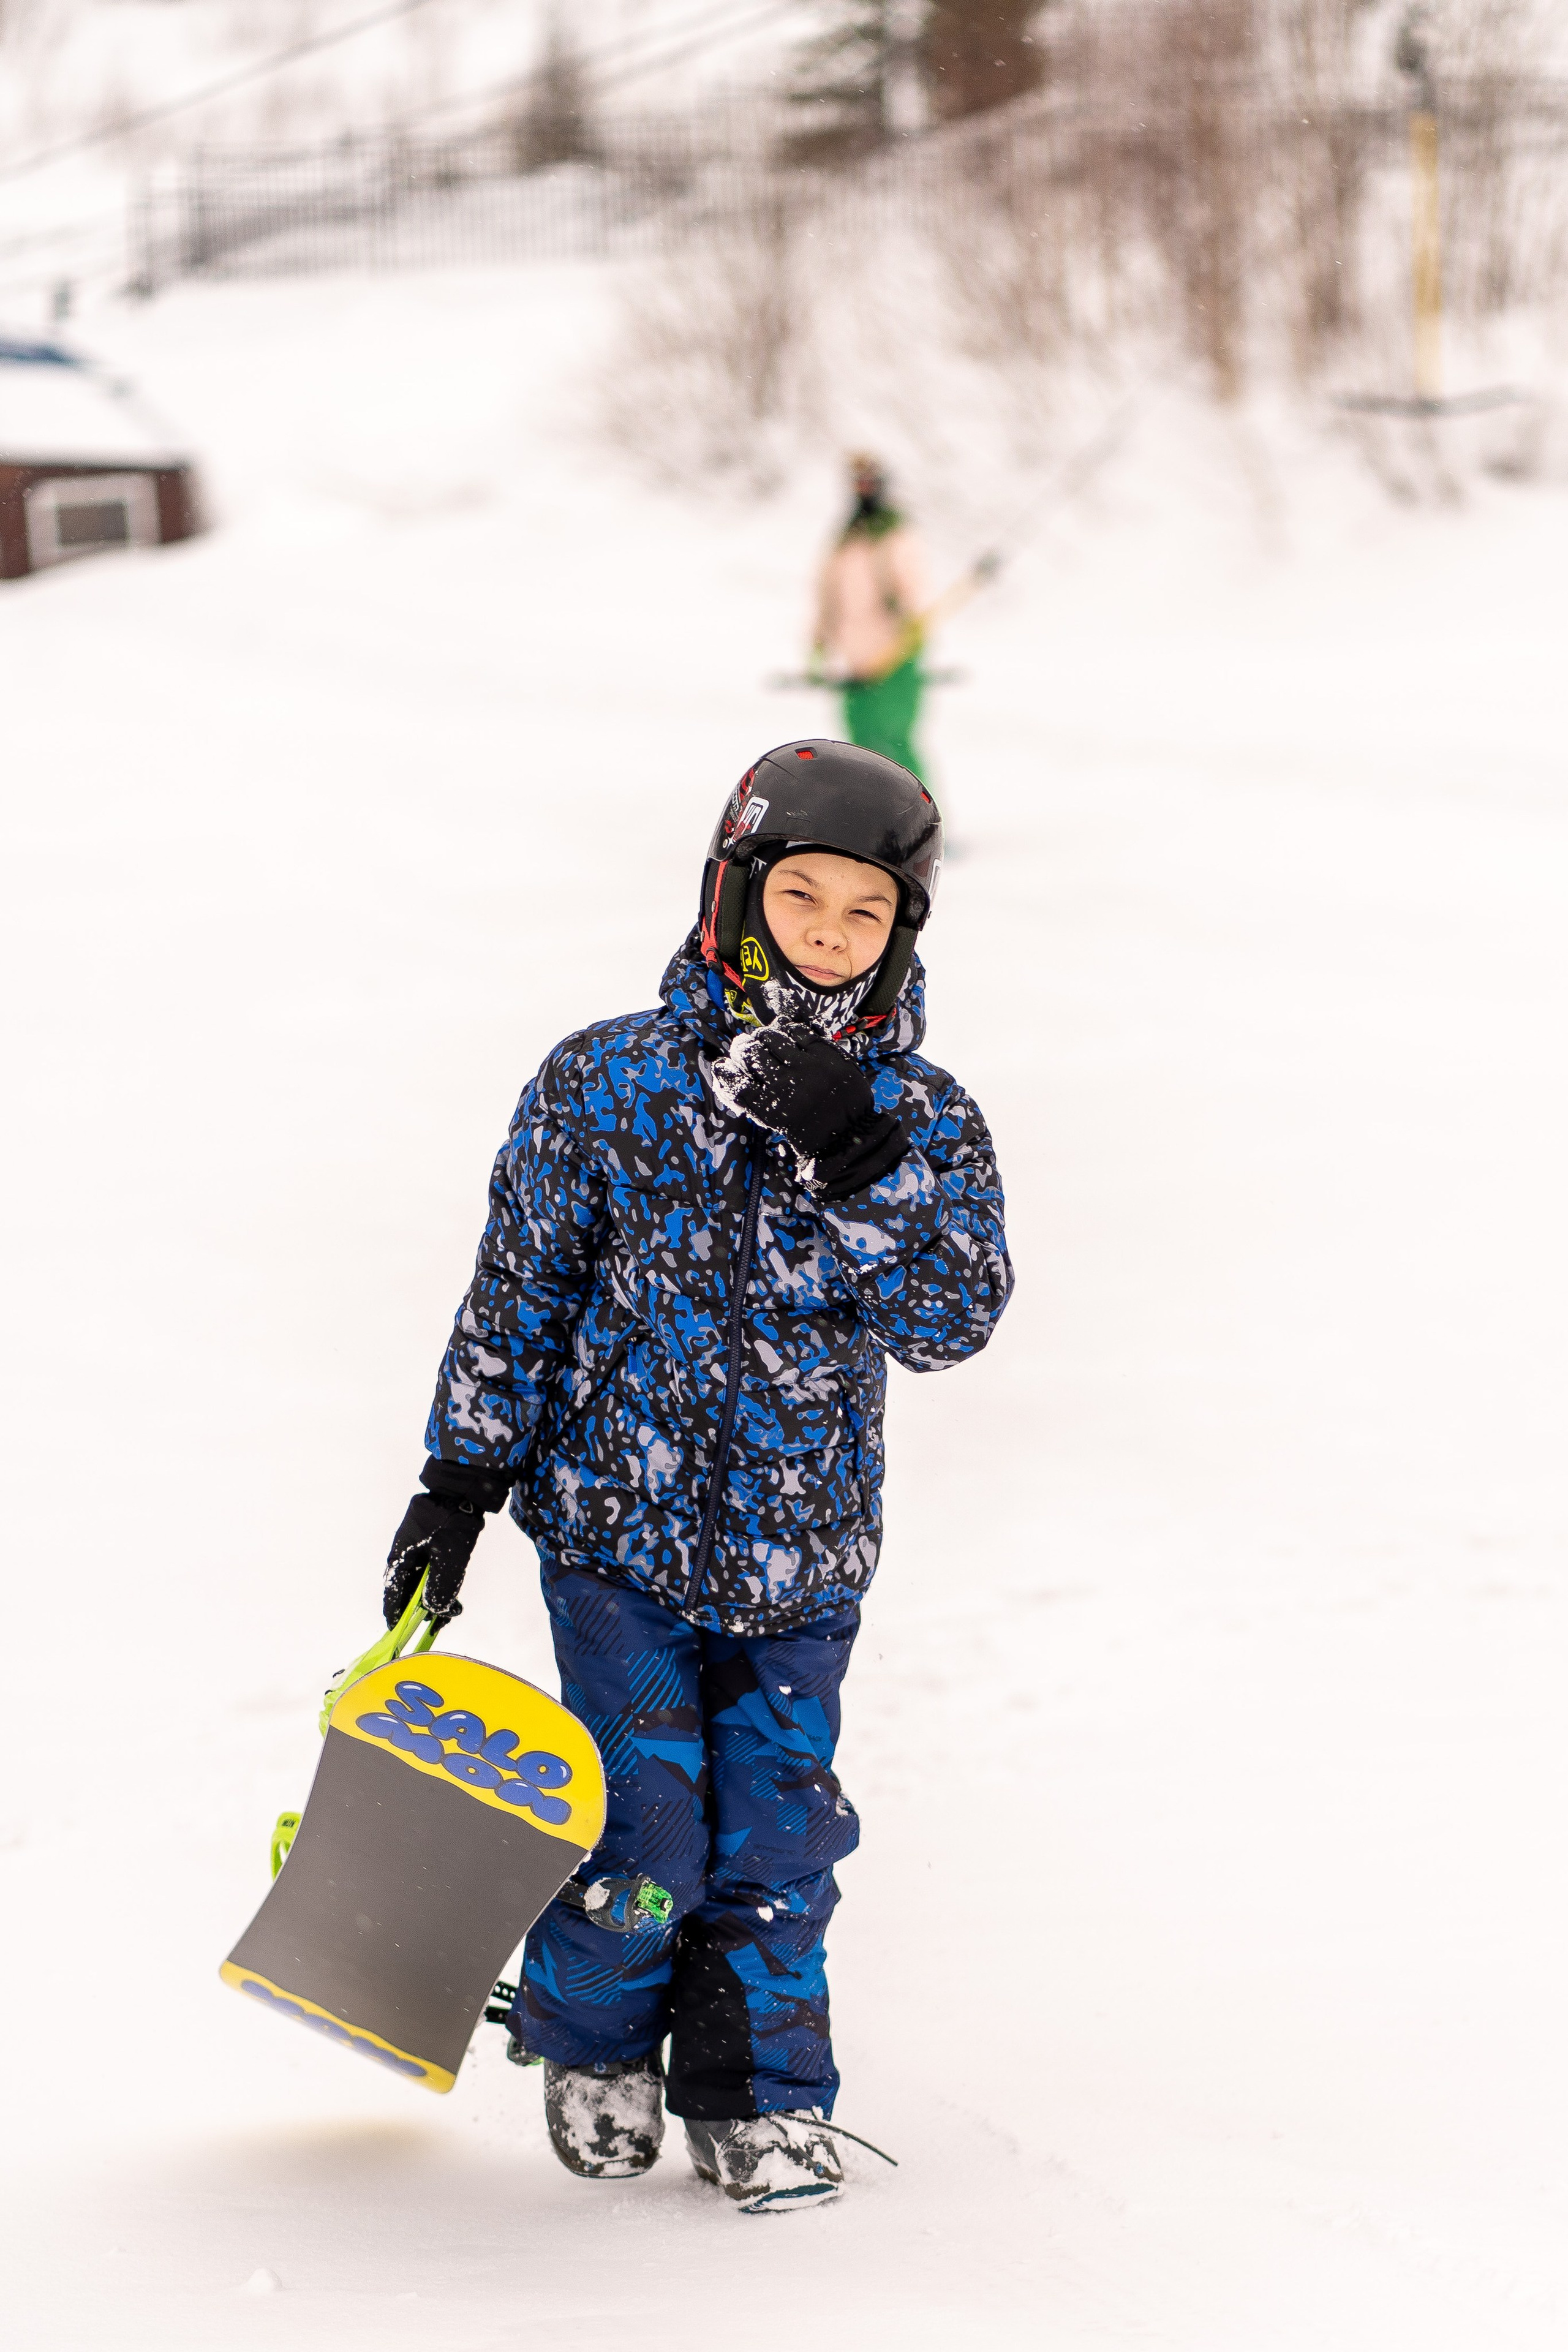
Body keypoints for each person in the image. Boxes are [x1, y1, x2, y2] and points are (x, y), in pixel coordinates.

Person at [382, 739, 1012, 2214]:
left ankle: (765, 2088)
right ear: (735, 893)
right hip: (617, 1542)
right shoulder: (608, 1081)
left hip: (801, 1560)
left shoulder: (919, 1118)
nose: (830, 934)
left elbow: (953, 1321)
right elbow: (519, 1288)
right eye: (802, 896)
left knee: (779, 1838)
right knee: (645, 1828)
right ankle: (594, 2041)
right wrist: (458, 1478)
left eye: (867, 913)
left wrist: (852, 1152)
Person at [813, 454, 932, 780]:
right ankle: (871, 824)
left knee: (897, 745)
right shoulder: (845, 540)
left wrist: (909, 635)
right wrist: (819, 644)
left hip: (896, 657)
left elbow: (914, 594)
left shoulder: (896, 536)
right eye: (858, 483)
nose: (863, 489)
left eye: (870, 482)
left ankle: (926, 822)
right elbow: (827, 597)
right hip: (856, 663)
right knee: (860, 752)